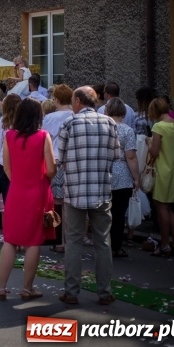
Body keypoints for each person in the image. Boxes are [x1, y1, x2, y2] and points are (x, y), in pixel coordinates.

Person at [57, 87, 121, 306]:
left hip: (74, 191)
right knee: (102, 241)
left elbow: (60, 158)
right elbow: (116, 155)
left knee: (74, 241)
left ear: (77, 101)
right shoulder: (110, 123)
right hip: (101, 190)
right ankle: (105, 292)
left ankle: (72, 292)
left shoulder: (69, 124)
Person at [0, 98, 57, 301]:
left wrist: (19, 181)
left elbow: (7, 167)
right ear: (38, 116)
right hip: (37, 191)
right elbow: (52, 169)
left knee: (10, 239)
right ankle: (27, 288)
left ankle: (1, 287)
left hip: (16, 191)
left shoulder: (9, 136)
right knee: (33, 240)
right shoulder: (43, 136)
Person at [148, 97, 174, 257]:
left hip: (162, 169)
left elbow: (154, 152)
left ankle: (164, 244)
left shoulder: (158, 126)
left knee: (161, 206)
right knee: (170, 208)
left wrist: (148, 143)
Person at [105, 98, 141, 258]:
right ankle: (116, 246)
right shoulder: (127, 130)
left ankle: (104, 244)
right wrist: (136, 178)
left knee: (103, 213)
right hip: (122, 173)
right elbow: (131, 157)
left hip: (104, 172)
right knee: (118, 213)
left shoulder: (102, 128)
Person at [41, 84, 74, 253]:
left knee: (59, 201)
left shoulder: (51, 118)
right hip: (75, 162)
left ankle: (60, 241)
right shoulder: (76, 115)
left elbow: (44, 141)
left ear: (57, 99)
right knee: (72, 202)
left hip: (57, 160)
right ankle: (74, 240)